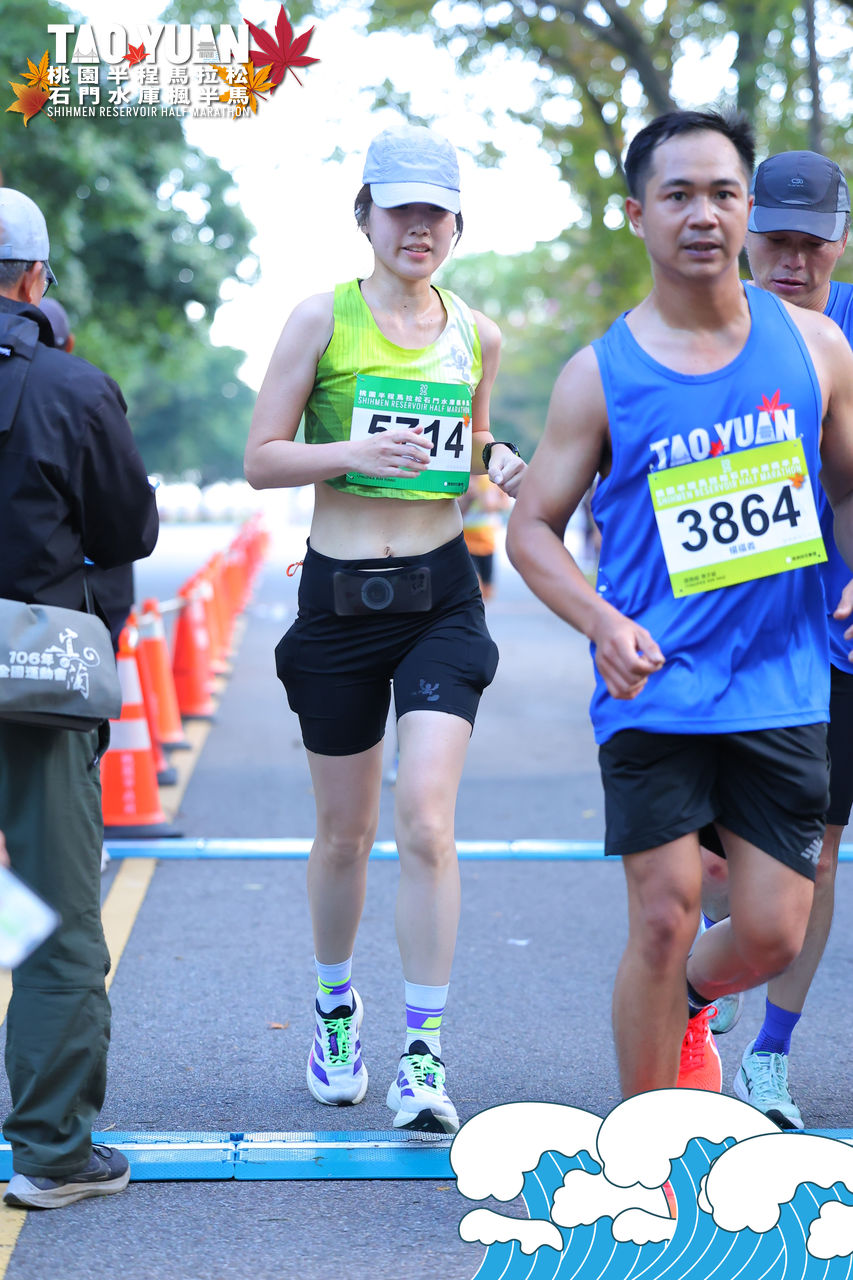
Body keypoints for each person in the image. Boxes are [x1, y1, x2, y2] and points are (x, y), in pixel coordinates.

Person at [505, 110, 853, 1100]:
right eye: (678, 195)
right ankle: (644, 1150)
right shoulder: (598, 375)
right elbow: (532, 528)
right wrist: (601, 622)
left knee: (775, 929)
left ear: (745, 209)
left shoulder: (817, 348)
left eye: (721, 193)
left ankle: (688, 996)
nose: (702, 214)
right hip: (652, 683)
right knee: (660, 916)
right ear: (636, 214)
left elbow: (848, 485)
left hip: (782, 683)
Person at [245, 123, 524, 1133]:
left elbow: (474, 438)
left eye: (436, 212)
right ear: (364, 215)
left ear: (457, 225)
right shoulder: (320, 318)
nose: (419, 227)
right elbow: (262, 458)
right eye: (400, 208)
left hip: (440, 597)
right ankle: (335, 1009)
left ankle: (423, 1052)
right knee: (345, 834)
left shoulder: (478, 331)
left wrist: (501, 459)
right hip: (338, 601)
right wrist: (348, 451)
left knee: (428, 823)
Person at [0, 188, 159, 1207]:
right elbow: (128, 530)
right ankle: (54, 1151)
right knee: (54, 917)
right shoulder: (73, 387)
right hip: (35, 678)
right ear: (34, 279)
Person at [694, 150, 853, 1128]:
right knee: (713, 860)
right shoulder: (702, 332)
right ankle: (703, 986)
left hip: (834, 646)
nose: (792, 260)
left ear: (839, 240)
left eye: (812, 243)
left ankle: (770, 1054)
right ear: (746, 231)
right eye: (776, 239)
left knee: (815, 856)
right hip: (727, 639)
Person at [459, 471, 511, 599]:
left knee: (488, 591)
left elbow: (505, 504)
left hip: (487, 542)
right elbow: (457, 510)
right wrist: (468, 499)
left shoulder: (492, 479)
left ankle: (481, 609)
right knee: (474, 585)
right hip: (466, 544)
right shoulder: (462, 479)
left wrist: (488, 501)